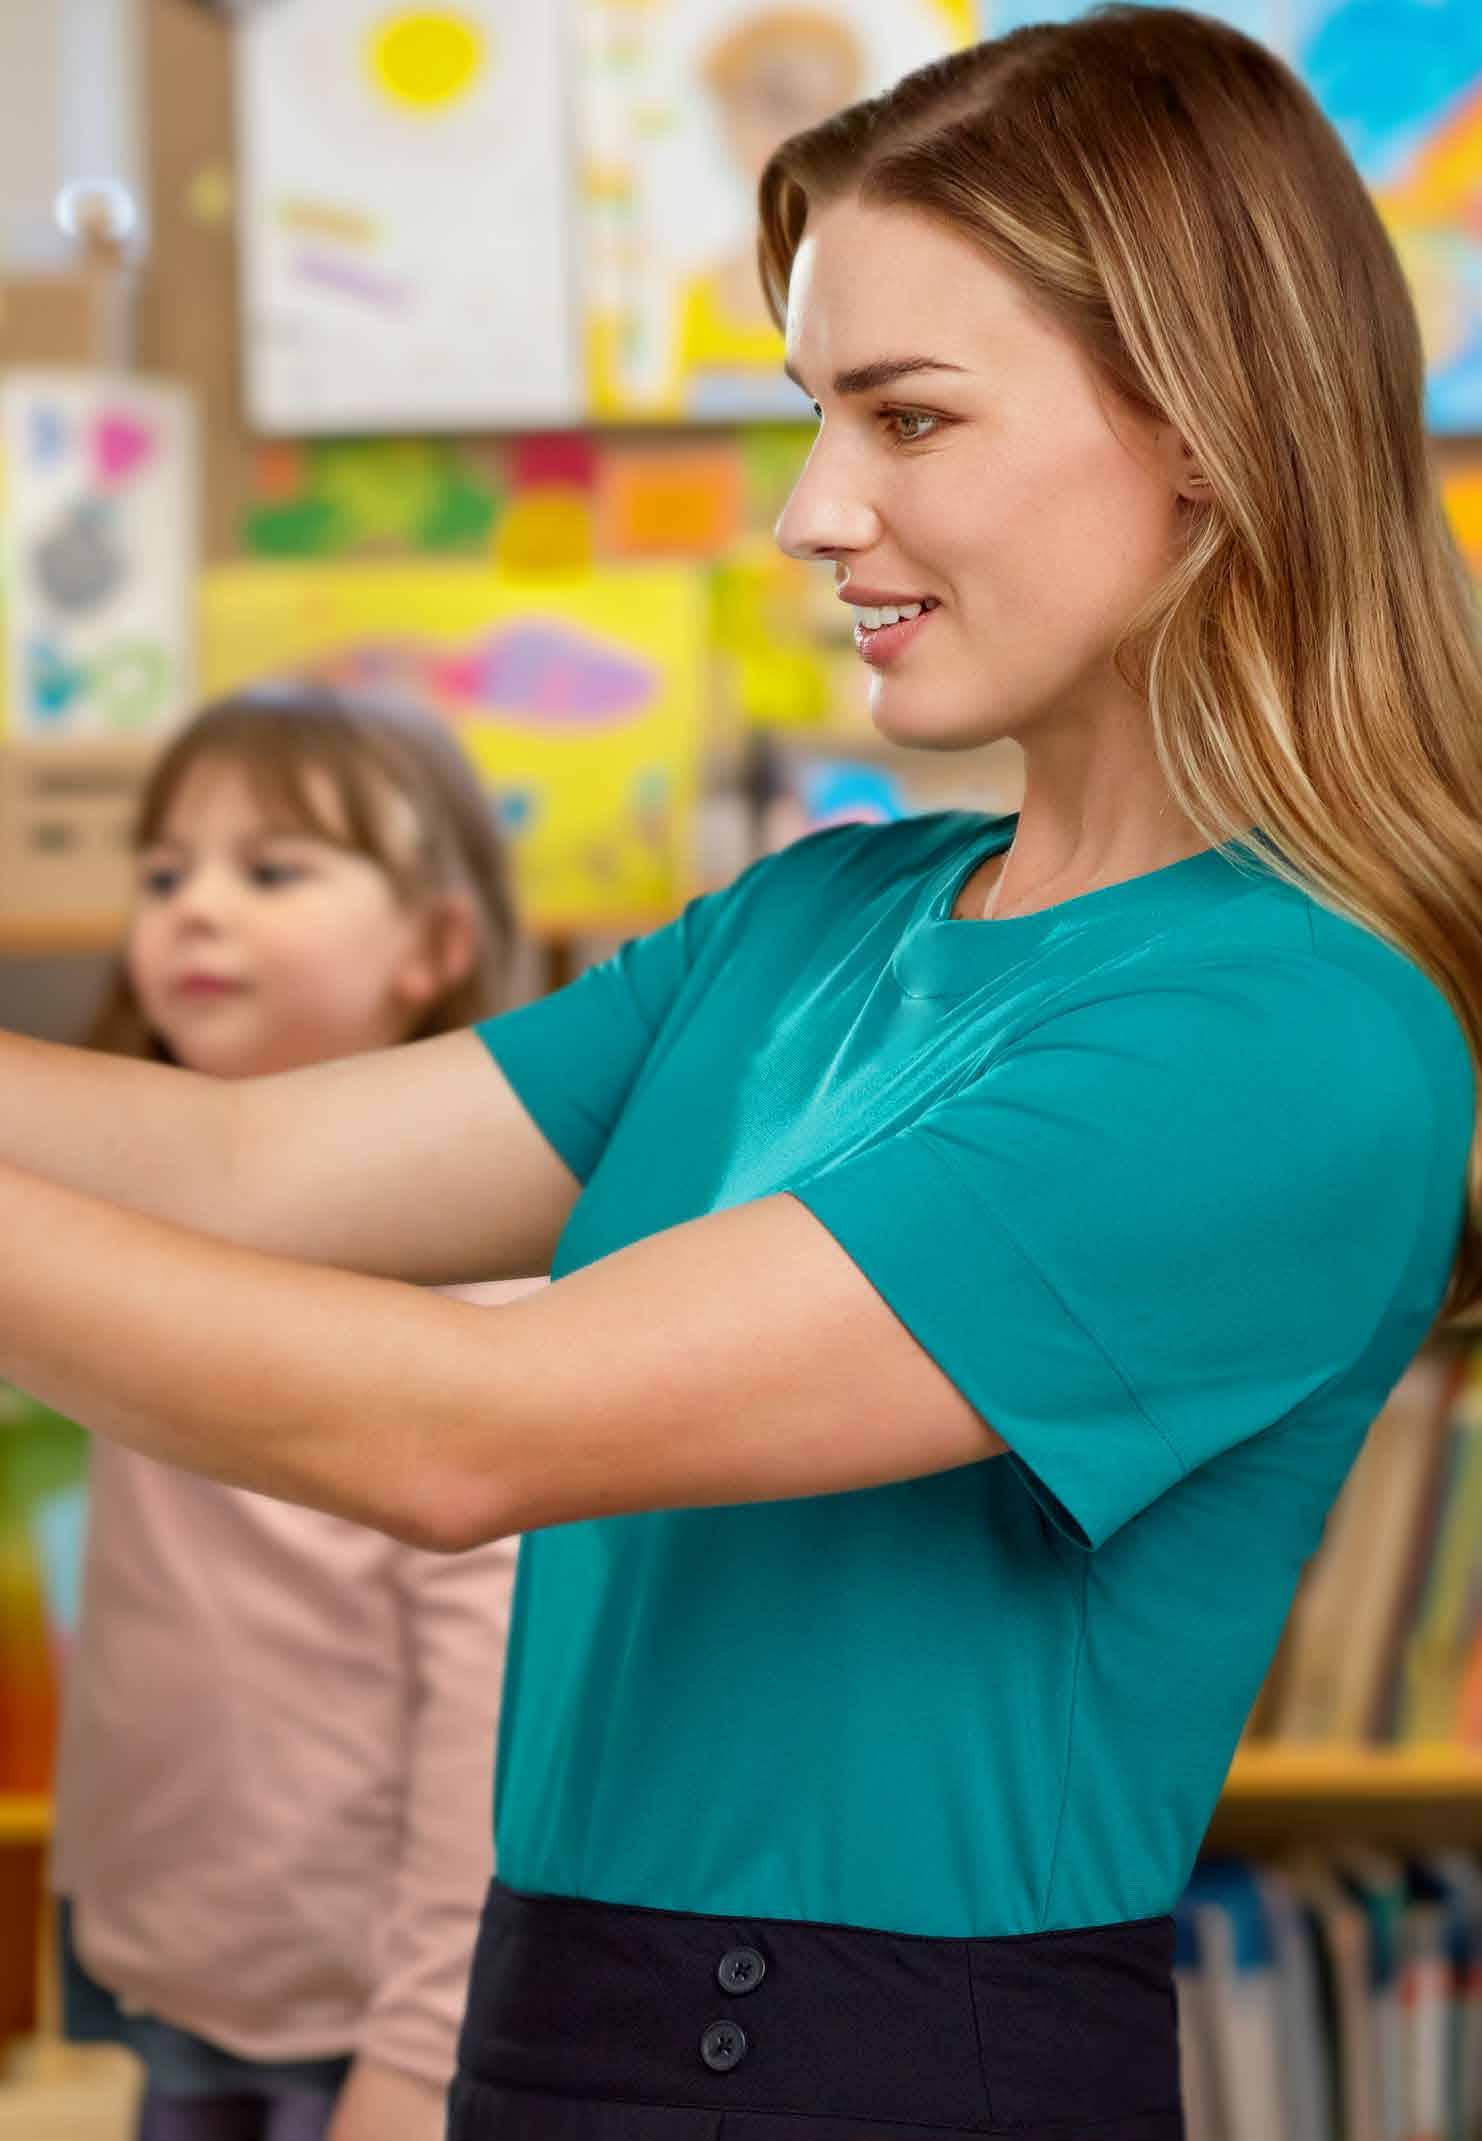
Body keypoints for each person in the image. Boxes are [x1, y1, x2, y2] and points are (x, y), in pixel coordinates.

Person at [2, 7, 1481, 2135]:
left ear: (1199, 428)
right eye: (815, 415)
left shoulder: (1282, 1036)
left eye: (907, 417)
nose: (814, 510)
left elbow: (460, 1429)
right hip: (565, 2015)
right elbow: (238, 1171)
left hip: (856, 2073)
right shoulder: (817, 919)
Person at [44, 687, 545, 2141]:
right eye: (163, 874)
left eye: (271, 870)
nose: (195, 908)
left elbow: (489, 1713)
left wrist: (419, 2050)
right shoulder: (119, 1219)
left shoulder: (474, 1293)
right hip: (176, 1950)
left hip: (365, 2015)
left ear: (433, 947)